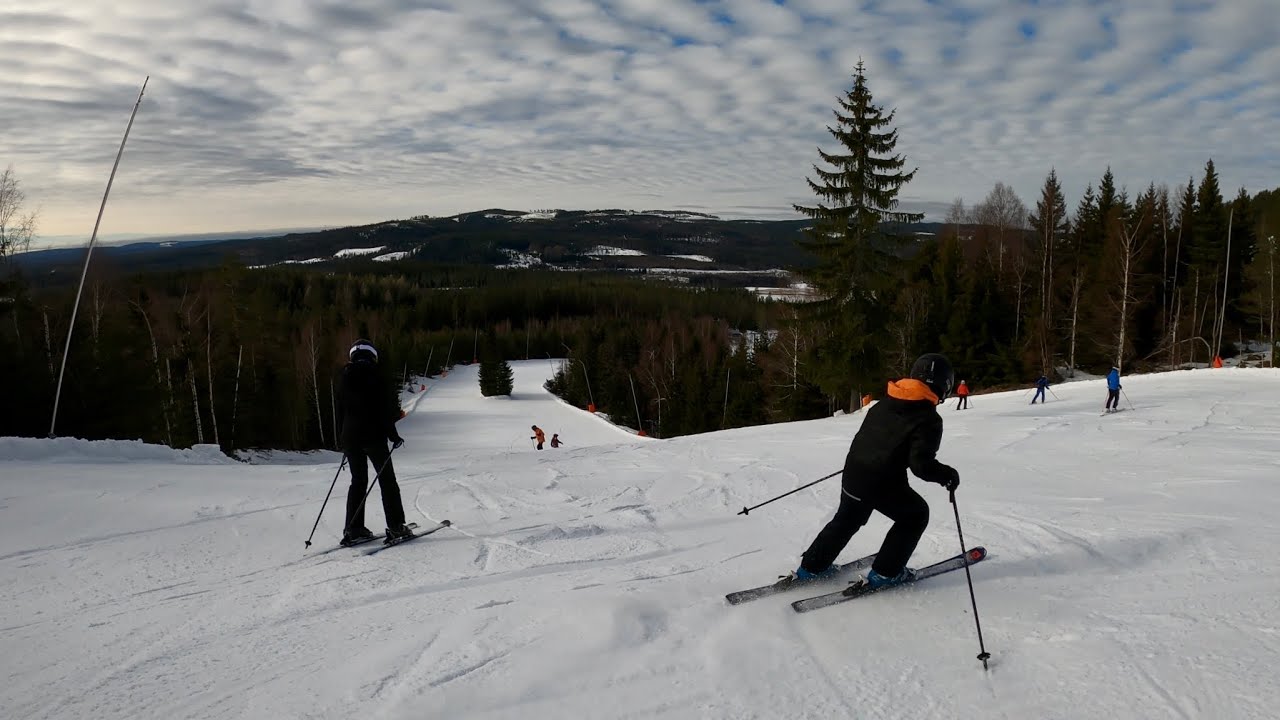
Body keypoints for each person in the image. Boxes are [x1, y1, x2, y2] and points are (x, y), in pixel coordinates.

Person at [792, 353, 961, 590]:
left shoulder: (884, 403)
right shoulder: (928, 418)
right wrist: (947, 475)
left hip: (854, 473)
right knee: (915, 515)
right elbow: (920, 465)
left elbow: (871, 440)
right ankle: (886, 573)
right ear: (946, 385)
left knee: (847, 519)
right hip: (880, 481)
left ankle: (811, 567)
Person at [337, 339, 410, 546]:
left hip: (350, 437)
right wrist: (393, 436)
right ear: (372, 356)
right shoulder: (376, 375)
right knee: (387, 481)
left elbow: (340, 411)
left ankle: (354, 529)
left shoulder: (344, 376)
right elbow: (383, 409)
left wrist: (342, 441)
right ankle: (396, 526)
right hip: (373, 436)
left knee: (358, 481)